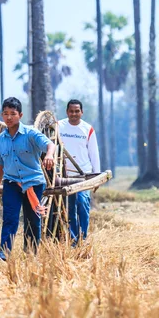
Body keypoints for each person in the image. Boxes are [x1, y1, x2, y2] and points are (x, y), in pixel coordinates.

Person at [0, 97, 55, 260]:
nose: (8, 117)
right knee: (10, 218)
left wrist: (49, 155)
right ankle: (4, 254)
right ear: (2, 115)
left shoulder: (30, 134)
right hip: (11, 183)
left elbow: (50, 145)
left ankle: (31, 254)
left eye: (12, 114)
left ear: (20, 115)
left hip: (33, 183)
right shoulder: (1, 139)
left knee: (32, 220)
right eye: (5, 114)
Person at [58, 99, 100, 243]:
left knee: (82, 204)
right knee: (69, 209)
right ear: (67, 112)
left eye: (77, 111)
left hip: (84, 175)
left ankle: (83, 237)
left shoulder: (88, 129)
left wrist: (97, 175)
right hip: (65, 176)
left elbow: (94, 153)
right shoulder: (59, 126)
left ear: (81, 112)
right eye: (71, 111)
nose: (74, 114)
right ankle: (74, 240)